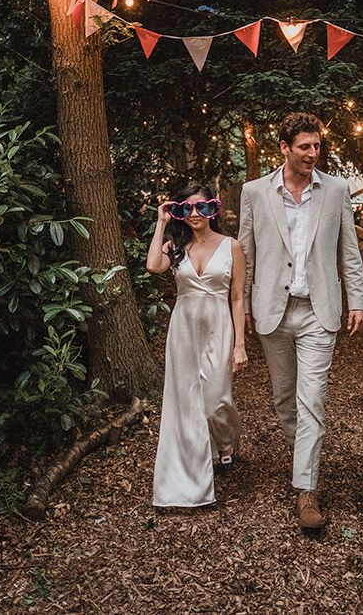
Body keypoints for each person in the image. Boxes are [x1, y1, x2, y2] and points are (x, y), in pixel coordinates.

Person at [238, 112, 363, 529]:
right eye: (305, 147)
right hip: (272, 312)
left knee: (312, 400)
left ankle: (306, 490)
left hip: (318, 310)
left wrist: (357, 301)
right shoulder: (254, 192)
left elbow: (349, 250)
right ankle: (305, 462)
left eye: (317, 146)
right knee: (283, 400)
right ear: (285, 149)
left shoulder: (336, 190)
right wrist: (240, 309)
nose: (314, 153)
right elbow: (247, 255)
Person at [146, 185, 248, 507]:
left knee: (217, 399)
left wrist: (240, 344)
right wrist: (161, 222)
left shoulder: (232, 246)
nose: (194, 214)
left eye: (202, 208)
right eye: (187, 209)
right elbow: (153, 266)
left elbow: (237, 297)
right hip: (184, 330)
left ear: (213, 210)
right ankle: (190, 473)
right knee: (186, 404)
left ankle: (227, 443)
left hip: (219, 327)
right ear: (179, 212)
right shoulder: (176, 246)